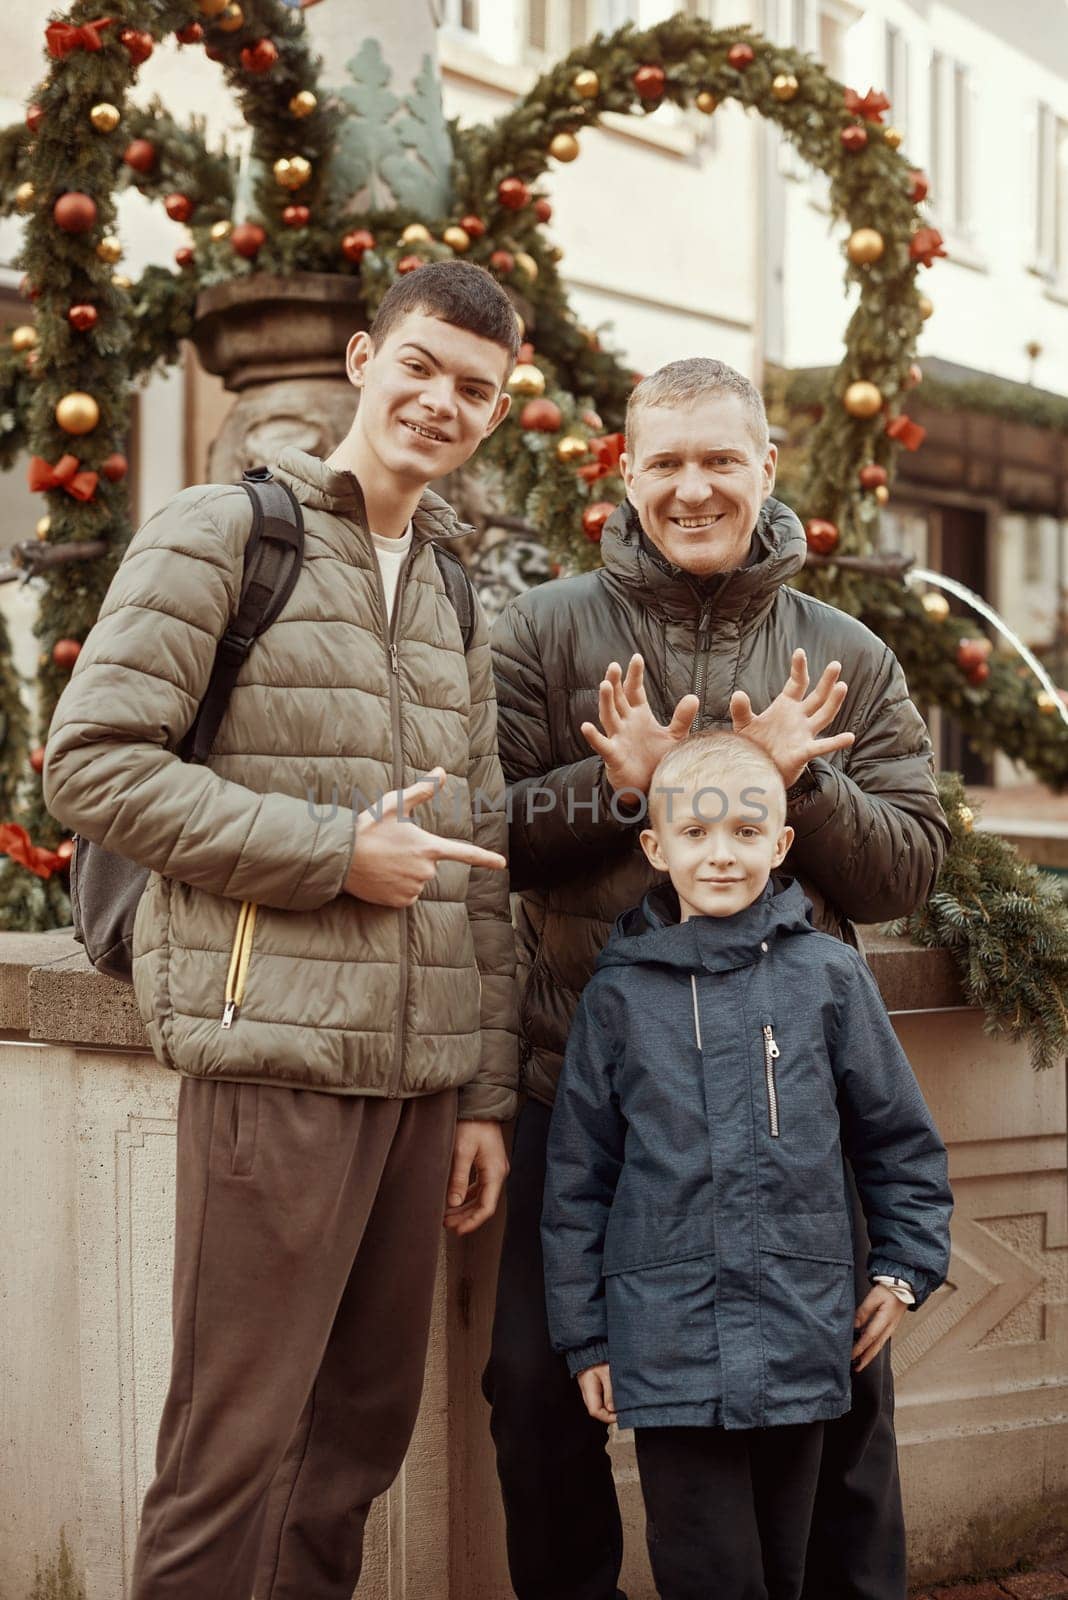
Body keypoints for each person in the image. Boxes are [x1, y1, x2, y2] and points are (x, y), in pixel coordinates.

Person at [43, 260, 520, 1600]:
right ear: (367, 360)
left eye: (472, 388)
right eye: (421, 366)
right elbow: (91, 764)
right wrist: (332, 854)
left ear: (494, 415)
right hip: (272, 1056)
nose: (440, 401)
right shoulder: (220, 531)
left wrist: (483, 1093)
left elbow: (478, 870)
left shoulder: (457, 592)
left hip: (419, 1083)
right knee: (231, 1449)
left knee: (356, 1444)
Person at [486, 357, 952, 1600]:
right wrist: (623, 789)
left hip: (793, 1100)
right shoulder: (538, 631)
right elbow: (485, 835)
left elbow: (909, 864)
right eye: (666, 463)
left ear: (766, 467)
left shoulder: (846, 649)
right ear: (623, 471)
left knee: (843, 1404)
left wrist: (793, 778)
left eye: (719, 460)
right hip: (580, 1084)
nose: (693, 488)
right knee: (536, 1390)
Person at [541, 729, 953, 1600]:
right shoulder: (617, 996)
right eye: (694, 834)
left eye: (743, 831)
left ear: (781, 843)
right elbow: (578, 1181)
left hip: (803, 1332)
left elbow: (898, 1140)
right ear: (656, 848)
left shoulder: (830, 978)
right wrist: (586, 1338)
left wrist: (905, 1268)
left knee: (789, 1565)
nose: (720, 855)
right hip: (668, 1341)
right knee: (709, 1571)